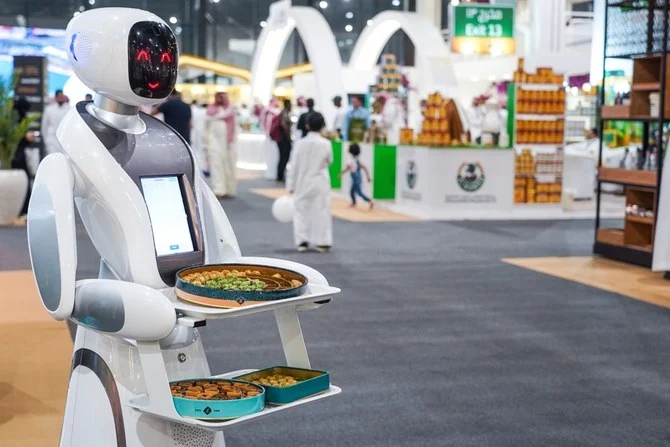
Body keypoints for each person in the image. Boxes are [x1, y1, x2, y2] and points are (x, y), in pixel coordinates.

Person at [286, 112, 333, 253]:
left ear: (307, 125)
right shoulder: (326, 144)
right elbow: (329, 161)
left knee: (300, 210)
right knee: (322, 211)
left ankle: (302, 241)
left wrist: (290, 185)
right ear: (322, 126)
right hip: (320, 180)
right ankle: (323, 242)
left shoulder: (299, 144)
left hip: (302, 181)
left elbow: (293, 166)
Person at [206, 92, 237, 198]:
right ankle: (218, 190)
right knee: (216, 164)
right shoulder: (211, 109)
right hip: (215, 143)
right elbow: (208, 119)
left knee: (229, 166)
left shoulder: (230, 110)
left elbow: (231, 123)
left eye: (222, 97)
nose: (220, 99)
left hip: (229, 143)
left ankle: (229, 189)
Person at [340, 143, 373, 210]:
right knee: (352, 191)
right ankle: (354, 203)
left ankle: (370, 201)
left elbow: (347, 168)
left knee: (359, 192)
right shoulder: (357, 159)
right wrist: (368, 177)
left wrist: (341, 174)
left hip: (355, 177)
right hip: (358, 176)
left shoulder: (351, 160)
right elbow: (364, 168)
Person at [41, 90, 69, 155]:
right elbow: (44, 126)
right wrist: (46, 140)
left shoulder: (69, 109)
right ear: (56, 98)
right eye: (59, 97)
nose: (61, 98)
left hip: (64, 140)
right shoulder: (49, 109)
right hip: (52, 139)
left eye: (62, 97)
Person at [275, 99, 293, 183]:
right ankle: (280, 175)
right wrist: (289, 137)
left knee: (283, 157)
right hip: (283, 139)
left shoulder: (283, 113)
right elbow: (284, 127)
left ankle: (280, 175)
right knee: (284, 157)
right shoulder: (284, 113)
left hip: (282, 139)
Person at [190, 100, 208, 174]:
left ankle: (198, 167)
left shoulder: (193, 110)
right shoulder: (204, 112)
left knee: (195, 150)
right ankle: (203, 167)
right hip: (202, 132)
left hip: (195, 132)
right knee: (201, 151)